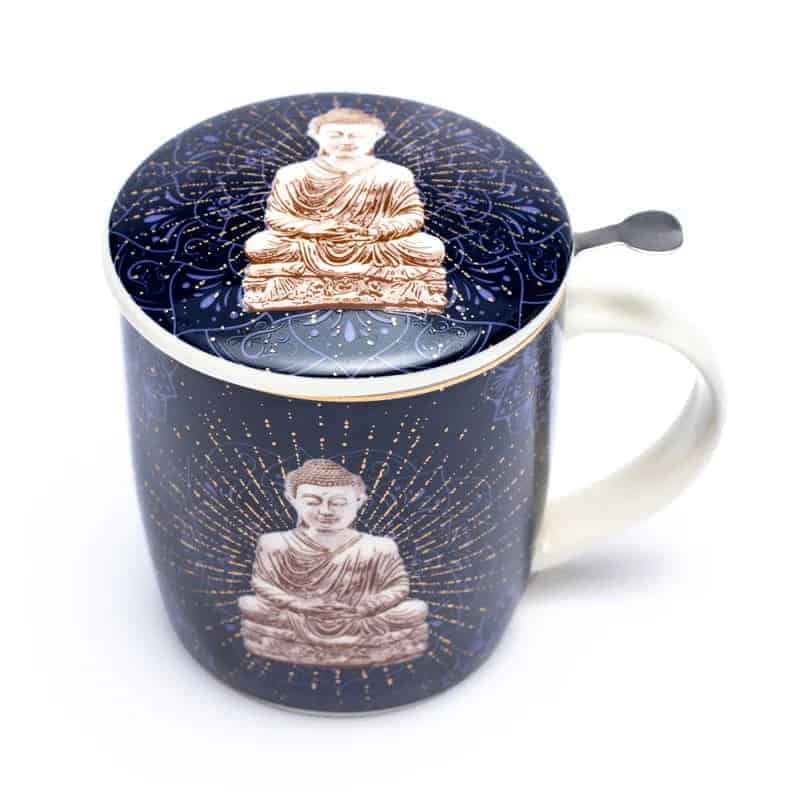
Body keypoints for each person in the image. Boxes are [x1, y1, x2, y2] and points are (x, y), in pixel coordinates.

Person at [241, 108, 447, 314]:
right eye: (335, 135)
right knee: (259, 246)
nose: (346, 141)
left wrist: (376, 231)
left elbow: (411, 216)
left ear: (376, 136)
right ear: (316, 135)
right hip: (311, 243)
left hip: (373, 243)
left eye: (357, 135)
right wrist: (314, 229)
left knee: (431, 248)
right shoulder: (293, 173)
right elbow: (276, 217)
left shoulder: (394, 174)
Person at [239, 458, 429, 667]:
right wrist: (299, 605)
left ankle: (296, 645)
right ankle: (366, 647)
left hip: (359, 616)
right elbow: (261, 584)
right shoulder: (275, 543)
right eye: (312, 502)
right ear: (293, 500)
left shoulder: (379, 546)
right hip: (298, 616)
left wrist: (366, 608)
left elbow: (399, 587)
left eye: (338, 502)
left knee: (415, 609)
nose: (325, 511)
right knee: (251, 604)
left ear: (359, 501)